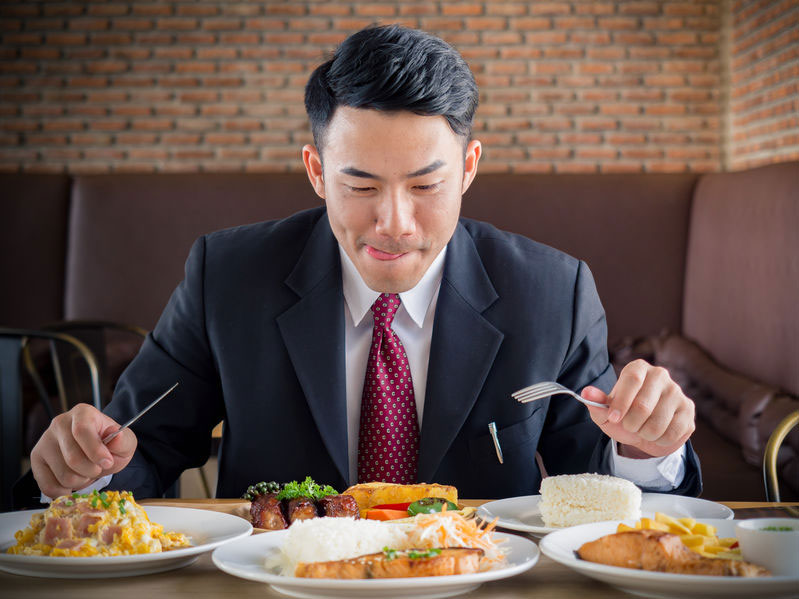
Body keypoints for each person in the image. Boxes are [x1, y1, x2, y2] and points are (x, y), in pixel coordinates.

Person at [20, 25, 700, 506]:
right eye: (362, 185)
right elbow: (142, 446)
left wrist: (643, 446)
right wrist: (86, 468)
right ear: (316, 171)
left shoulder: (551, 291)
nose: (394, 224)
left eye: (426, 185)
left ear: (467, 169)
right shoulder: (225, 276)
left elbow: (601, 487)